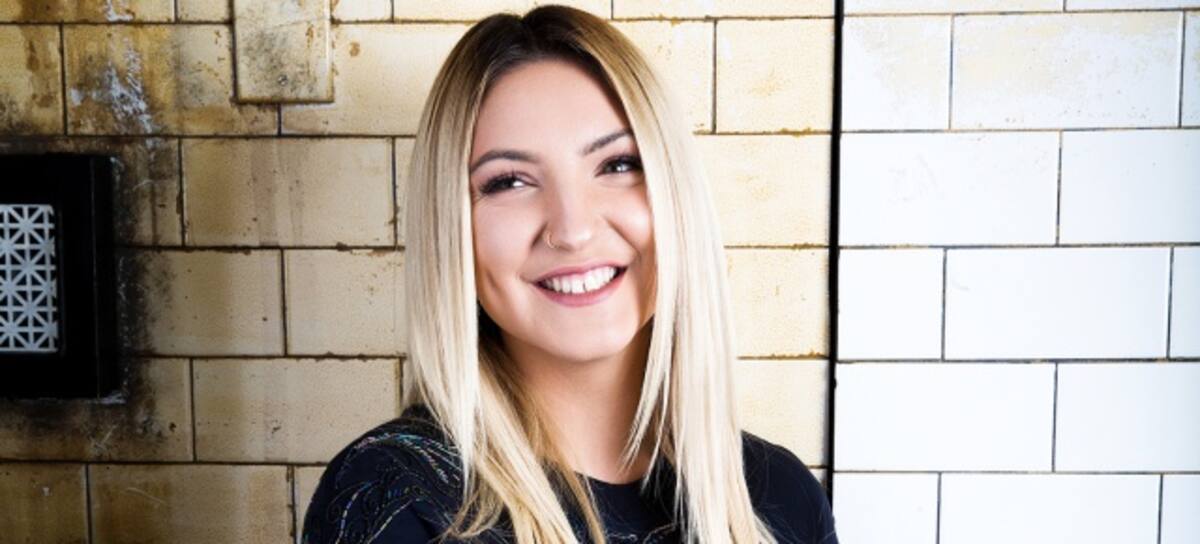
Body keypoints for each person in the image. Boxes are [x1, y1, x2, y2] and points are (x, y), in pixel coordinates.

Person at [302, 5, 837, 543]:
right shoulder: (396, 500)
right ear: (451, 230)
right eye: (509, 181)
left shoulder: (781, 497)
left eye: (618, 165)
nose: (573, 229)